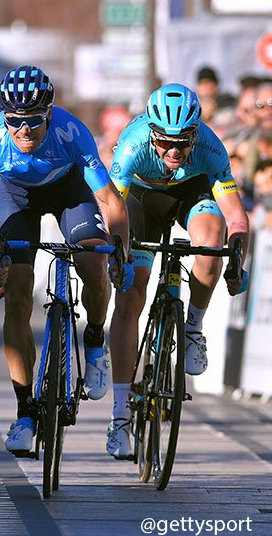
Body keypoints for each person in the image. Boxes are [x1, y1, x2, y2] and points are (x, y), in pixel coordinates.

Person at [0, 65, 133, 455]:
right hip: (15, 197)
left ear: (49, 113)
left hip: (68, 191)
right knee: (18, 296)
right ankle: (25, 413)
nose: (24, 130)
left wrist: (119, 251)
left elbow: (110, 201)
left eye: (34, 120)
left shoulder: (71, 133)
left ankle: (95, 339)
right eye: (14, 121)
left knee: (93, 260)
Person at [105, 83, 250, 459]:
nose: (172, 151)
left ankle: (193, 329)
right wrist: (117, 253)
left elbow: (236, 217)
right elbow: (113, 209)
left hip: (192, 194)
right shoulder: (133, 145)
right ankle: (120, 416)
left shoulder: (211, 148)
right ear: (151, 133)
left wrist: (237, 259)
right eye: (164, 142)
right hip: (141, 200)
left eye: (182, 143)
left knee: (211, 242)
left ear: (195, 135)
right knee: (131, 295)